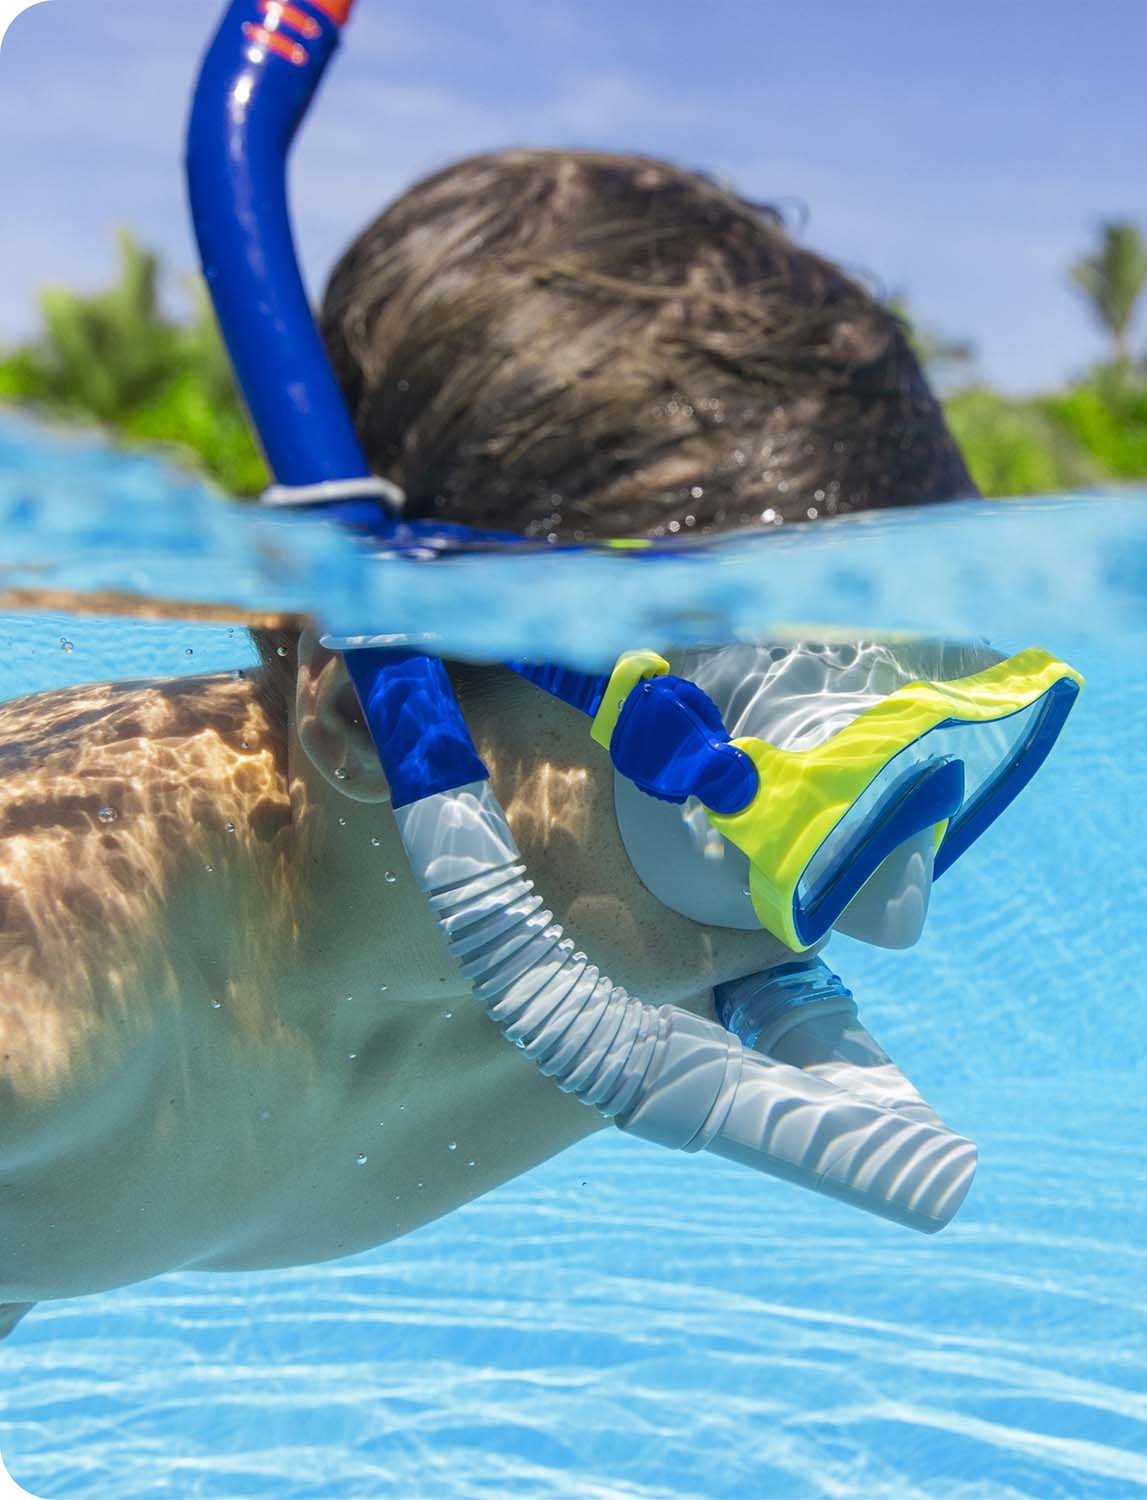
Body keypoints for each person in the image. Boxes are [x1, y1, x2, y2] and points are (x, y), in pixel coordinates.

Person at [0, 150, 978, 1339]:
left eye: (873, 741)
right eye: (753, 768)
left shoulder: (641, 964)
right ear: (372, 709)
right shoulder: (40, 1001)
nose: (876, 916)